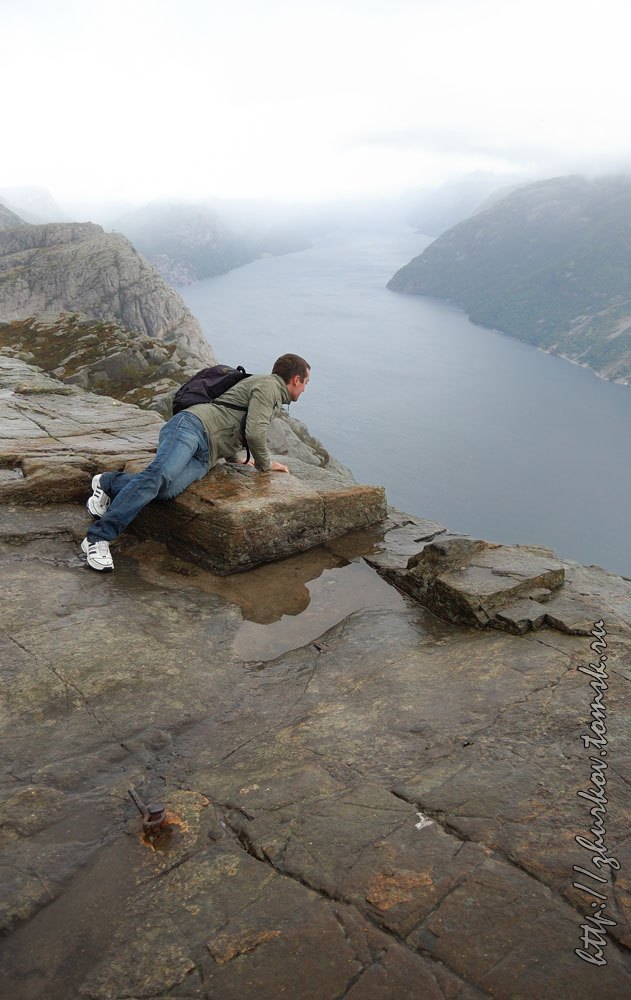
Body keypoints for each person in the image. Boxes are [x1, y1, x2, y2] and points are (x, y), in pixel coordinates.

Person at [81, 353, 310, 571]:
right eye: (306, 383)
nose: (305, 388)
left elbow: (234, 421)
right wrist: (266, 464)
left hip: (207, 455)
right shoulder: (270, 386)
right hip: (192, 427)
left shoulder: (271, 393)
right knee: (160, 474)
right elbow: (254, 433)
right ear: (296, 379)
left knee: (165, 490)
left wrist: (235, 458)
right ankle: (98, 537)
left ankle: (109, 483)